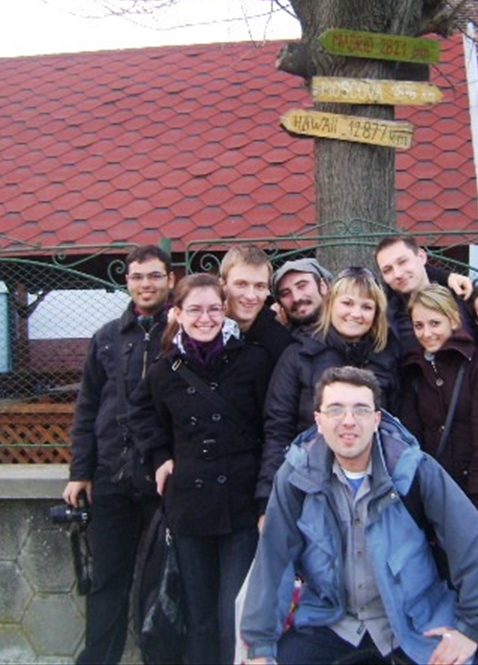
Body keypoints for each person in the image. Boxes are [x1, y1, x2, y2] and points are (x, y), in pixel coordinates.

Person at [241, 366, 478, 665]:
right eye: (335, 410)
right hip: (330, 621)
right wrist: (260, 647)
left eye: (361, 410)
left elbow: (474, 544)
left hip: (415, 623)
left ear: (377, 419)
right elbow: (274, 559)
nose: (348, 422)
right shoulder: (295, 477)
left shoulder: (415, 470)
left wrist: (470, 629)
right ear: (318, 420)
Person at [130, 273, 271, 664]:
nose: (205, 318)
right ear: (177, 313)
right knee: (200, 612)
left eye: (213, 308)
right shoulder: (164, 370)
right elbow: (140, 416)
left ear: (224, 310)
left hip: (242, 504)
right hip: (189, 504)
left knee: (235, 610)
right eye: (194, 309)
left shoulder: (254, 360)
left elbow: (271, 424)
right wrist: (159, 456)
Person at [62, 244, 172, 664]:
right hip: (111, 476)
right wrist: (80, 471)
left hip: (163, 478)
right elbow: (88, 406)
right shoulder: (106, 337)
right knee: (108, 580)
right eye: (138, 276)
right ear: (127, 281)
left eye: (155, 276)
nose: (147, 284)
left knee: (161, 582)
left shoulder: (182, 331)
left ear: (169, 279)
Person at [400, 283, 478, 664]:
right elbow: (412, 444)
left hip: (474, 503)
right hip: (435, 506)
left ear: (452, 319)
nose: (427, 333)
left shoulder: (477, 363)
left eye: (434, 323)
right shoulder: (413, 367)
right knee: (447, 605)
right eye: (419, 326)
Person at [255, 268, 401, 509]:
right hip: (309, 485)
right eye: (347, 303)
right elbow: (278, 429)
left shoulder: (386, 358)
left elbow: (394, 427)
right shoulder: (298, 355)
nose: (356, 314)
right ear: (331, 303)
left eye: (366, 307)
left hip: (372, 489)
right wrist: (268, 499)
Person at [374, 234, 475, 354]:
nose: (397, 274)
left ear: (422, 257)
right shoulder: (384, 316)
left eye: (402, 262)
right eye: (387, 270)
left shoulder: (461, 295)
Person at [220, 244, 292, 366]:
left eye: (259, 286)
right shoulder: (203, 330)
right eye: (241, 284)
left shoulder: (280, 342)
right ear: (223, 286)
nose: (250, 296)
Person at [270, 257, 333, 330]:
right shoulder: (281, 338)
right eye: (286, 293)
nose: (296, 298)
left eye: (302, 286)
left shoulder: (346, 329)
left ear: (323, 286)